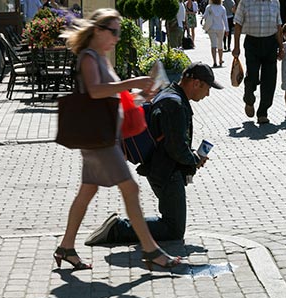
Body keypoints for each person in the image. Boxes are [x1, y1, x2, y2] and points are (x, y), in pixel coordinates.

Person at [55, 8, 180, 271]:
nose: (117, 37)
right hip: (99, 141)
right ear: (98, 30)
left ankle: (66, 247)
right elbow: (96, 91)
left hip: (103, 137)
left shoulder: (101, 57)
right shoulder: (89, 57)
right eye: (113, 32)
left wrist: (138, 98)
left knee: (86, 192)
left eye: (118, 32)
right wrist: (131, 82)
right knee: (130, 189)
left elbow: (113, 100)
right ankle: (151, 250)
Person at [84, 62, 223, 247]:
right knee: (173, 229)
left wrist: (191, 158)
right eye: (207, 88)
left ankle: (121, 227)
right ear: (196, 83)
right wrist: (194, 159)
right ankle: (119, 228)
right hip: (166, 172)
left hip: (159, 168)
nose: (207, 94)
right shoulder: (175, 104)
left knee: (172, 224)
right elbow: (176, 148)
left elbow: (170, 140)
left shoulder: (169, 95)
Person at [232, 0, 284, 124]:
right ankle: (249, 99)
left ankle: (263, 112)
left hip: (270, 43)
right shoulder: (245, 2)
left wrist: (281, 47)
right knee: (252, 76)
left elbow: (278, 26)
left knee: (270, 79)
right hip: (252, 43)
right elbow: (238, 24)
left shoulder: (275, 2)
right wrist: (236, 46)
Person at [204, 0, 229, 67]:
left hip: (211, 28)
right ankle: (220, 60)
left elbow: (205, 16)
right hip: (220, 28)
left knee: (213, 44)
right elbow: (225, 19)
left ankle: (214, 61)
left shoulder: (209, 7)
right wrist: (227, 29)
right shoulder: (222, 8)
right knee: (220, 44)